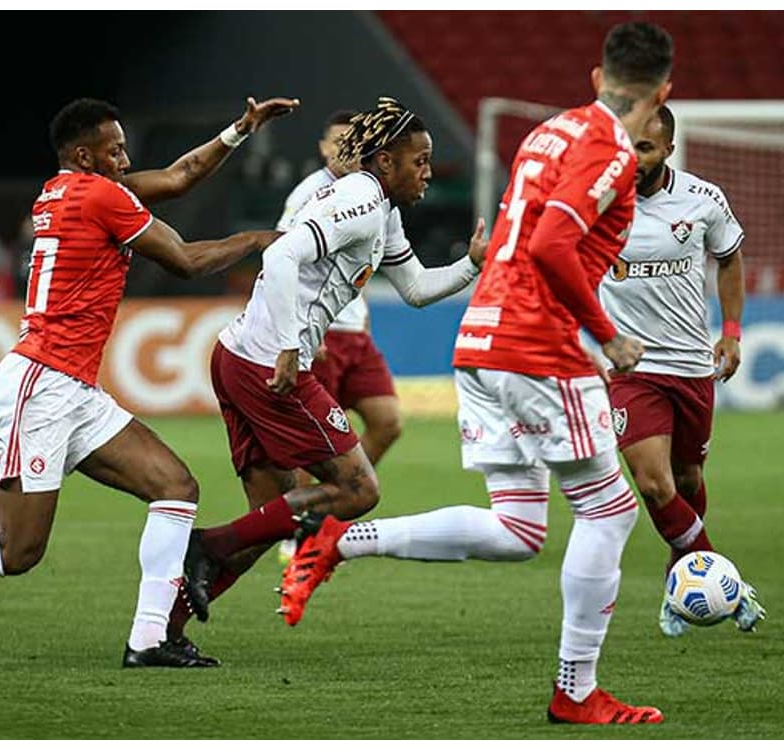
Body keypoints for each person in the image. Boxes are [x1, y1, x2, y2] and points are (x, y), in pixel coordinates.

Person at [277, 23, 681, 725]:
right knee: (611, 509)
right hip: (536, 344)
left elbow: (529, 237)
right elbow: (555, 244)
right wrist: (607, 336)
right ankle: (575, 691)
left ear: (596, 78)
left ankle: (340, 538)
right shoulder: (611, 151)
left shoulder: (549, 133)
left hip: (483, 338)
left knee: (520, 529)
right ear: (664, 91)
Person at [0, 95, 296, 669]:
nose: (124, 159)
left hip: (71, 388)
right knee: (16, 551)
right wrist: (262, 241)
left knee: (175, 487)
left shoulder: (66, 189)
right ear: (82, 153)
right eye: (114, 150)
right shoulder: (99, 193)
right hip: (40, 386)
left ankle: (150, 639)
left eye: (124, 149)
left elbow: (178, 176)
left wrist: (241, 130)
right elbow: (188, 262)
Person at [181, 97, 488, 621]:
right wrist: (285, 344)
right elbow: (279, 254)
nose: (429, 174)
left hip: (240, 356)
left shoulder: (382, 210)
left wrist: (469, 266)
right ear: (386, 161)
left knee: (268, 520)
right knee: (357, 489)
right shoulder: (361, 201)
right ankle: (206, 545)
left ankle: (164, 628)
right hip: (267, 364)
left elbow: (413, 288)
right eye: (421, 161)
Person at [596, 106, 765, 638]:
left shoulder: (704, 199)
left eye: (645, 148)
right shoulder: (595, 202)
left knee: (689, 479)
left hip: (692, 365)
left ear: (669, 148)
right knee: (653, 482)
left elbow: (730, 258)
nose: (633, 158)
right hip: (630, 368)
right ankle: (724, 582)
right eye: (627, 146)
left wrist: (732, 331)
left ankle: (681, 582)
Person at [272, 110, 405, 564]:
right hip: (324, 332)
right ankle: (298, 530)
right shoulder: (311, 193)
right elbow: (287, 255)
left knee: (388, 421)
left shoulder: (374, 197)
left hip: (356, 332)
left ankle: (336, 501)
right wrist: (306, 329)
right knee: (314, 446)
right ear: (323, 147)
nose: (343, 147)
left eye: (352, 139)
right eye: (336, 141)